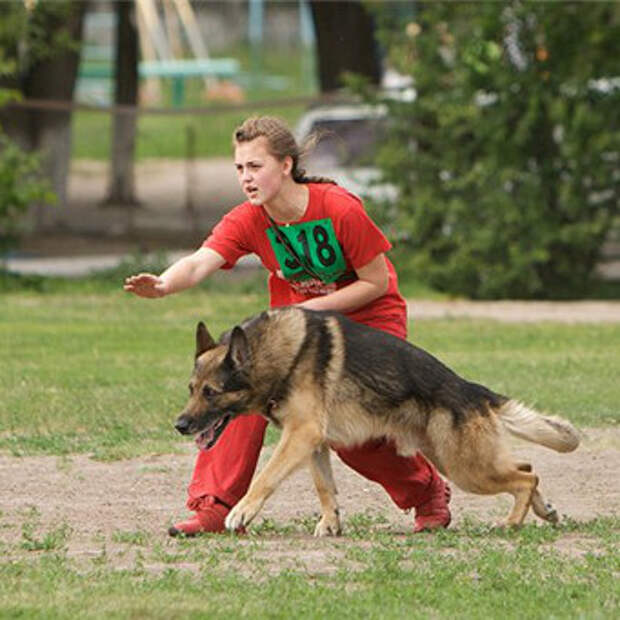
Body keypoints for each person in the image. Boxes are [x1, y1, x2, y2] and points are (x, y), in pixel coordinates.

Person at [124, 116, 451, 536]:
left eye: (255, 167)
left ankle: (426, 494)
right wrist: (165, 283)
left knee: (353, 433)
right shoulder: (249, 218)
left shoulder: (338, 208)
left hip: (367, 323)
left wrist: (312, 309)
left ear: (286, 165)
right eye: (240, 168)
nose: (246, 177)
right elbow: (199, 260)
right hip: (294, 339)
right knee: (236, 395)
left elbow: (377, 283)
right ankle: (214, 508)